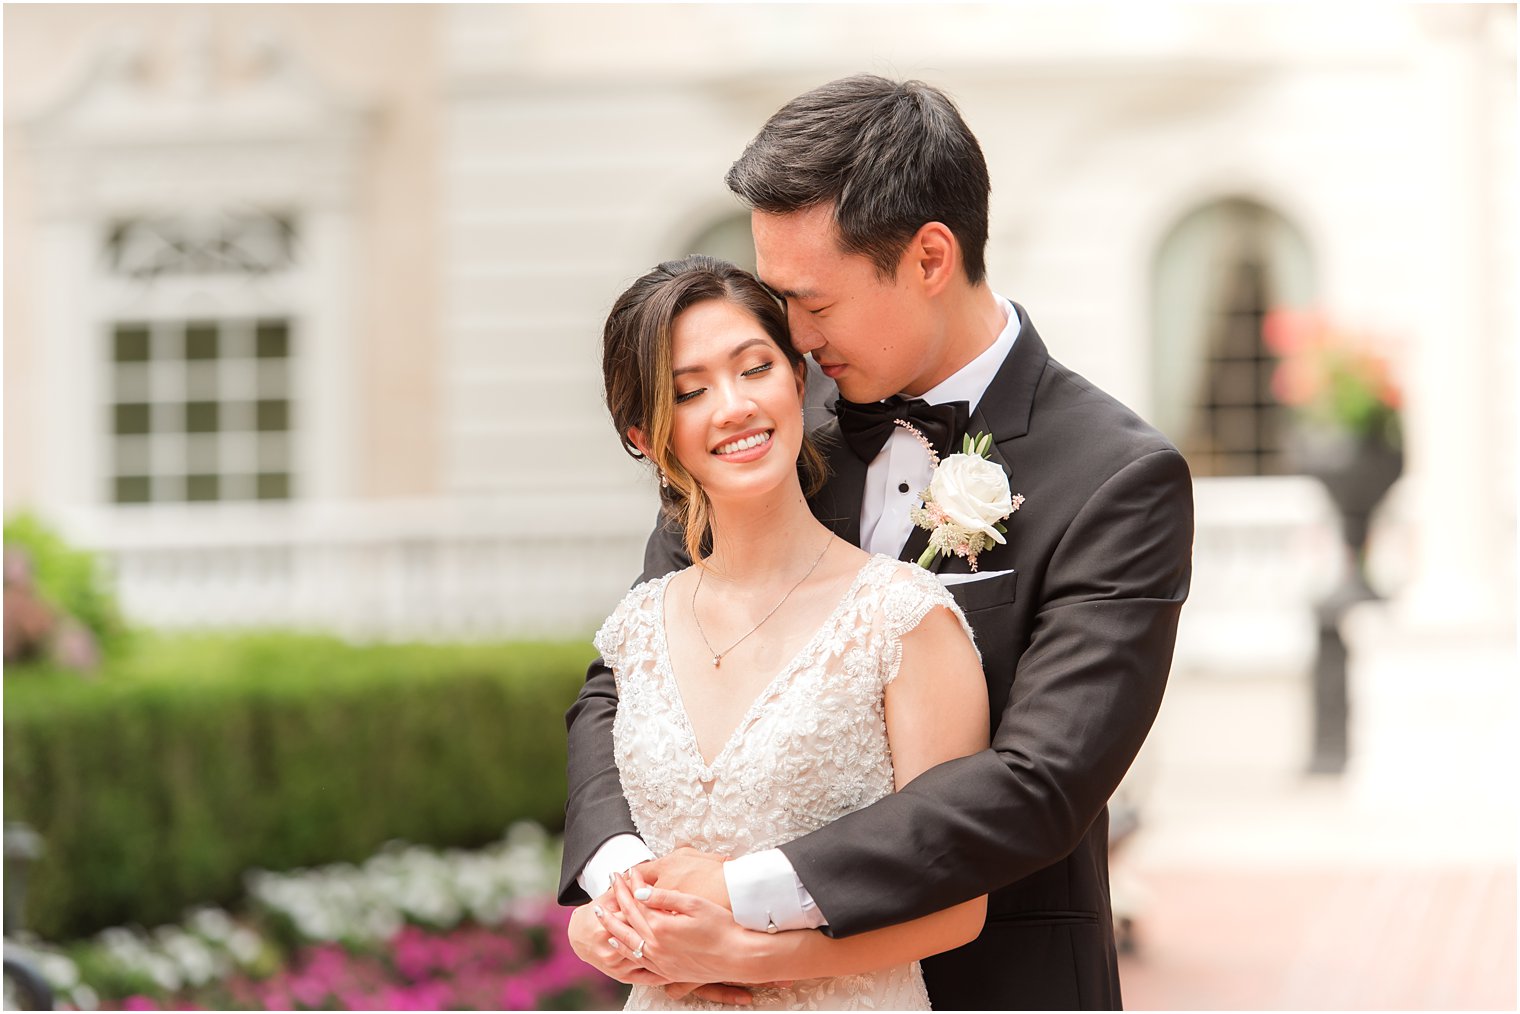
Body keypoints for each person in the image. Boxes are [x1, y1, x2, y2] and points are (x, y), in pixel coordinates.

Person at [562, 75, 1195, 1010]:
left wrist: (737, 899)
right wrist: (624, 877)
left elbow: (1038, 782)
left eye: (810, 302)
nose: (794, 338)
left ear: (930, 256)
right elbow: (624, 678)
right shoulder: (764, 425)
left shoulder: (1117, 477)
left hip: (994, 986)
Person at [570, 254, 992, 1009]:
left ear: (800, 380)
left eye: (754, 368)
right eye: (690, 391)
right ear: (646, 435)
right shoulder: (639, 626)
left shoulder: (902, 617)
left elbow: (957, 903)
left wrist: (752, 958)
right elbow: (621, 849)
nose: (732, 406)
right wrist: (598, 929)